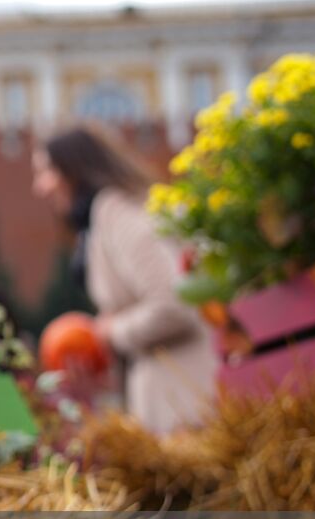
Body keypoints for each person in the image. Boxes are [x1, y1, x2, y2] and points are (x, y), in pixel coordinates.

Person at [31, 123, 217, 434]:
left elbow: (173, 303)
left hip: (186, 406)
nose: (40, 186)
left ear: (74, 168)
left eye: (46, 171)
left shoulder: (117, 212)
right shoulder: (106, 219)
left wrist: (106, 333)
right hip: (176, 401)